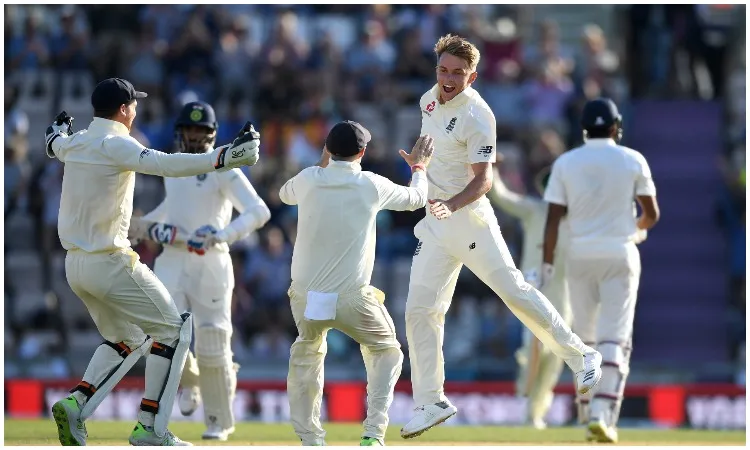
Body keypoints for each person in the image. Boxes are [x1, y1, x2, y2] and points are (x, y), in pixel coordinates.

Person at [401, 34, 602, 439]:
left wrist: (451, 205)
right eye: (443, 70)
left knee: (513, 290)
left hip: (469, 218)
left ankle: (582, 356)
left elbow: (484, 181)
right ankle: (430, 401)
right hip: (437, 222)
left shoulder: (478, 115)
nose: (449, 78)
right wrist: (419, 167)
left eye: (458, 73)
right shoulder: (428, 99)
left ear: (472, 77)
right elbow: (438, 155)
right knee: (420, 311)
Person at [44, 78, 260, 446]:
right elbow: (167, 164)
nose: (137, 110)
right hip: (109, 262)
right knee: (175, 331)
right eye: (134, 105)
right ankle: (151, 428)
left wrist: (55, 134)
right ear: (125, 109)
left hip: (75, 266)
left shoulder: (76, 141)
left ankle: (77, 403)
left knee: (127, 338)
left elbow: (54, 144)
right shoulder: (118, 144)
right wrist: (225, 156)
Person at [279, 121, 434, 446]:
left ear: (328, 150)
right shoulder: (370, 185)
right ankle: (373, 435)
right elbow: (418, 198)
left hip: (305, 300)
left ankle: (309, 438)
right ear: (362, 152)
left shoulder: (308, 179)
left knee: (308, 350)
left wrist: (323, 162)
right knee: (387, 351)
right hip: (352, 300)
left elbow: (283, 194)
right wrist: (419, 167)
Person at [132, 101, 271, 441]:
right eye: (188, 130)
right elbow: (172, 209)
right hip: (172, 259)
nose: (193, 137)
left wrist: (221, 235)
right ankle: (190, 381)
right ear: (181, 133)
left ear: (211, 134)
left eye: (199, 131)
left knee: (212, 341)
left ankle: (219, 422)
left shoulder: (225, 167)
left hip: (211, 261)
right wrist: (145, 225)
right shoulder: (174, 164)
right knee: (163, 336)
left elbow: (259, 211)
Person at [542, 97, 660, 443]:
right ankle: (601, 416)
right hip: (619, 253)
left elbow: (552, 220)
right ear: (615, 127)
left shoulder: (566, 162)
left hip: (578, 254)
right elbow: (652, 214)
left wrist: (547, 264)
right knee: (614, 339)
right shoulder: (632, 159)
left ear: (583, 128)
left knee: (586, 338)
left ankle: (586, 409)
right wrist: (638, 228)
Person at [488, 162, 571, 430]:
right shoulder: (534, 211)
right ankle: (525, 393)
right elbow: (500, 195)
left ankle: (535, 414)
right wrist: (491, 168)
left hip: (564, 298)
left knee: (554, 360)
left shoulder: (578, 220)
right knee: (534, 348)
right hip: (533, 293)